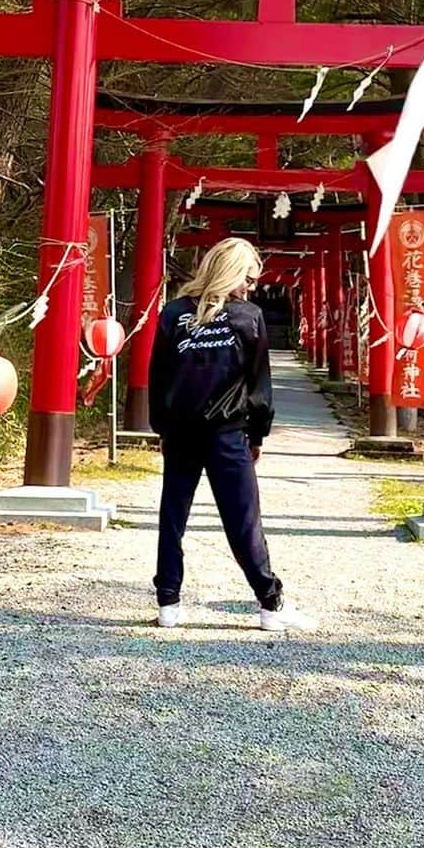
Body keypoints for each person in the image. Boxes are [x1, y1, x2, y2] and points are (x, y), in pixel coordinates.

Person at [148, 237, 315, 633]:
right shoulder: (248, 317)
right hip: (227, 434)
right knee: (243, 521)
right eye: (251, 278)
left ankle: (168, 603)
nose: (253, 287)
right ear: (233, 272)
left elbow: (158, 378)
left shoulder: (173, 314)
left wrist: (162, 428)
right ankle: (270, 604)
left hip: (182, 433)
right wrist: (258, 435)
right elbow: (259, 386)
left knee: (173, 517)